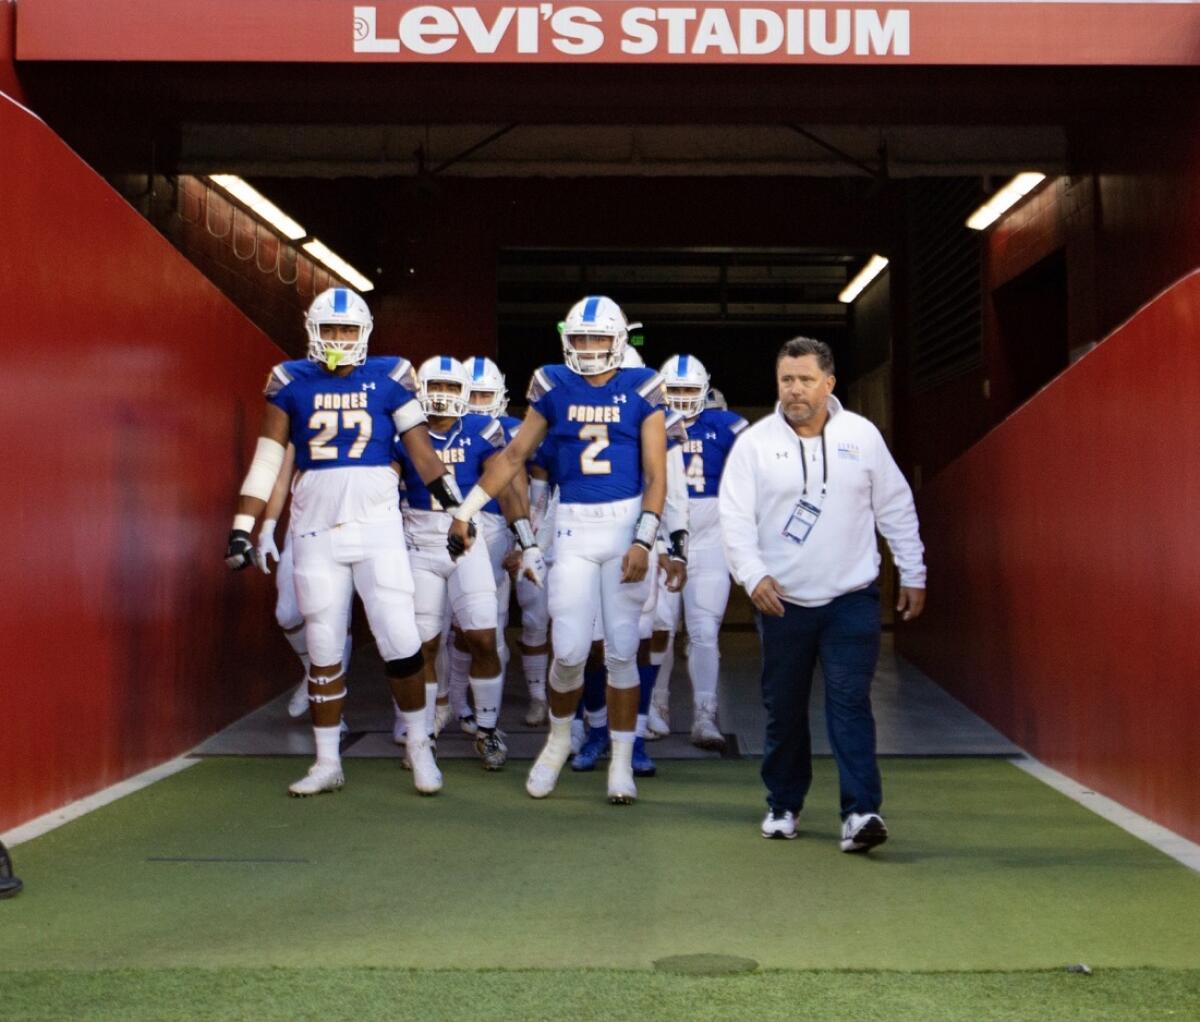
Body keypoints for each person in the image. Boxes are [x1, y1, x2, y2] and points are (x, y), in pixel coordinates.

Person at [224, 286, 463, 798]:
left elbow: (423, 455)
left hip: (377, 528)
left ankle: (419, 746)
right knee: (324, 647)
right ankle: (327, 760)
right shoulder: (290, 381)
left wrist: (458, 512)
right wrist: (242, 527)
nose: (338, 339)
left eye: (346, 330)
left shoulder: (392, 375)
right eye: (329, 329)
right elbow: (267, 462)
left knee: (401, 642)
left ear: (364, 333)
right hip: (316, 528)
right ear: (313, 332)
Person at [447, 295, 668, 804]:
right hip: (573, 527)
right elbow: (513, 456)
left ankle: (619, 761)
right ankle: (558, 742)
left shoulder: (643, 386)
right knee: (567, 650)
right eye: (580, 338)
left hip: (627, 526)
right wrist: (466, 509)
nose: (588, 348)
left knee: (620, 651)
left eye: (597, 338)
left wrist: (645, 536)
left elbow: (658, 474)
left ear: (618, 340)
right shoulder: (552, 384)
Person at [718, 337, 926, 851]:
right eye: (786, 379)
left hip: (851, 599)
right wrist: (753, 577)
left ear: (828, 384)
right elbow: (734, 520)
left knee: (850, 704)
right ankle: (784, 805)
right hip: (781, 602)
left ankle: (860, 813)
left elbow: (895, 506)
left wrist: (913, 570)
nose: (795, 390)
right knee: (783, 709)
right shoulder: (755, 444)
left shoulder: (863, 436)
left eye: (805, 379)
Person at [650, 354, 747, 750]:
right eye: (675, 390)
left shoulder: (725, 425)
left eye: (690, 390)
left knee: (705, 632)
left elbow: (751, 478)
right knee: (661, 630)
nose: (682, 398)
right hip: (664, 536)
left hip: (709, 538)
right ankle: (656, 708)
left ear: (705, 391)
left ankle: (705, 715)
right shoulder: (649, 424)